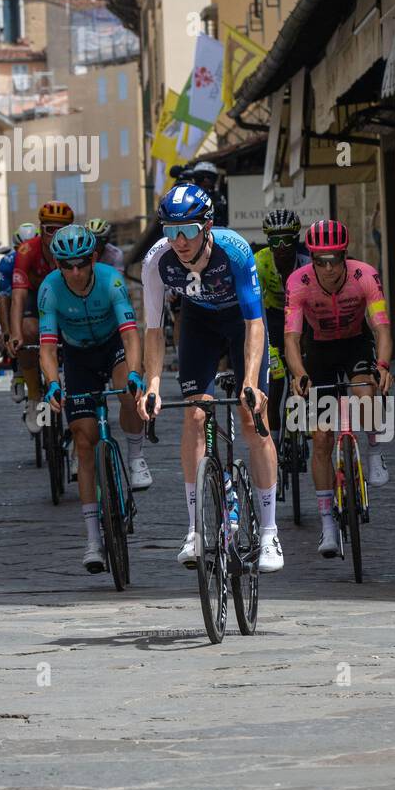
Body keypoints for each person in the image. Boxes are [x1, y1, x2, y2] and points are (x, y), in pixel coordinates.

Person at [138, 184, 283, 573]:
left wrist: (250, 380)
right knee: (194, 415)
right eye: (170, 231)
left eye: (186, 230)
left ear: (207, 226)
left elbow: (255, 322)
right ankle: (195, 529)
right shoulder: (157, 261)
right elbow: (153, 329)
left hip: (241, 323)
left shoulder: (234, 250)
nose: (178, 241)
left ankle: (269, 534)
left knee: (253, 418)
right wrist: (152, 382)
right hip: (199, 323)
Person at [283, 220, 393, 559]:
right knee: (320, 438)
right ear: (311, 259)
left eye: (334, 260)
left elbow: (381, 328)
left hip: (355, 345)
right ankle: (328, 524)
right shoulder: (298, 283)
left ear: (345, 256)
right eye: (320, 260)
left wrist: (383, 366)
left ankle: (374, 451)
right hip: (318, 351)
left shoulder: (365, 276)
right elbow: (291, 338)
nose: (328, 268)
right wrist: (299, 373)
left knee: (365, 395)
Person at [39, 225, 147, 570]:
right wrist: (53, 382)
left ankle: (134, 456)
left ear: (94, 259)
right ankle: (93, 540)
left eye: (81, 264)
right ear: (58, 265)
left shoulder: (110, 281)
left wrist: (134, 372)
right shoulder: (50, 290)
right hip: (78, 356)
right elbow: (46, 347)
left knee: (128, 394)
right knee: (84, 444)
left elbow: (131, 335)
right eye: (66, 265)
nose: (74, 272)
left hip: (112, 347)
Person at [8, 200, 75, 436]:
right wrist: (15, 334)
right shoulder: (27, 251)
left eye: (61, 230)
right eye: (49, 230)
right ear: (40, 229)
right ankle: (35, 396)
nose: (55, 236)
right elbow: (17, 297)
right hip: (34, 300)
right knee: (27, 331)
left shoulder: (76, 248)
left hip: (66, 301)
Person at [254, 209, 309, 436]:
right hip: (273, 318)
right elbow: (255, 307)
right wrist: (264, 342)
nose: (281, 247)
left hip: (303, 317)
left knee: (304, 374)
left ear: (296, 240)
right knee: (275, 384)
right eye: (275, 241)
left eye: (286, 240)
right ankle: (275, 440)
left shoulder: (306, 262)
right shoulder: (261, 261)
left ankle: (301, 420)